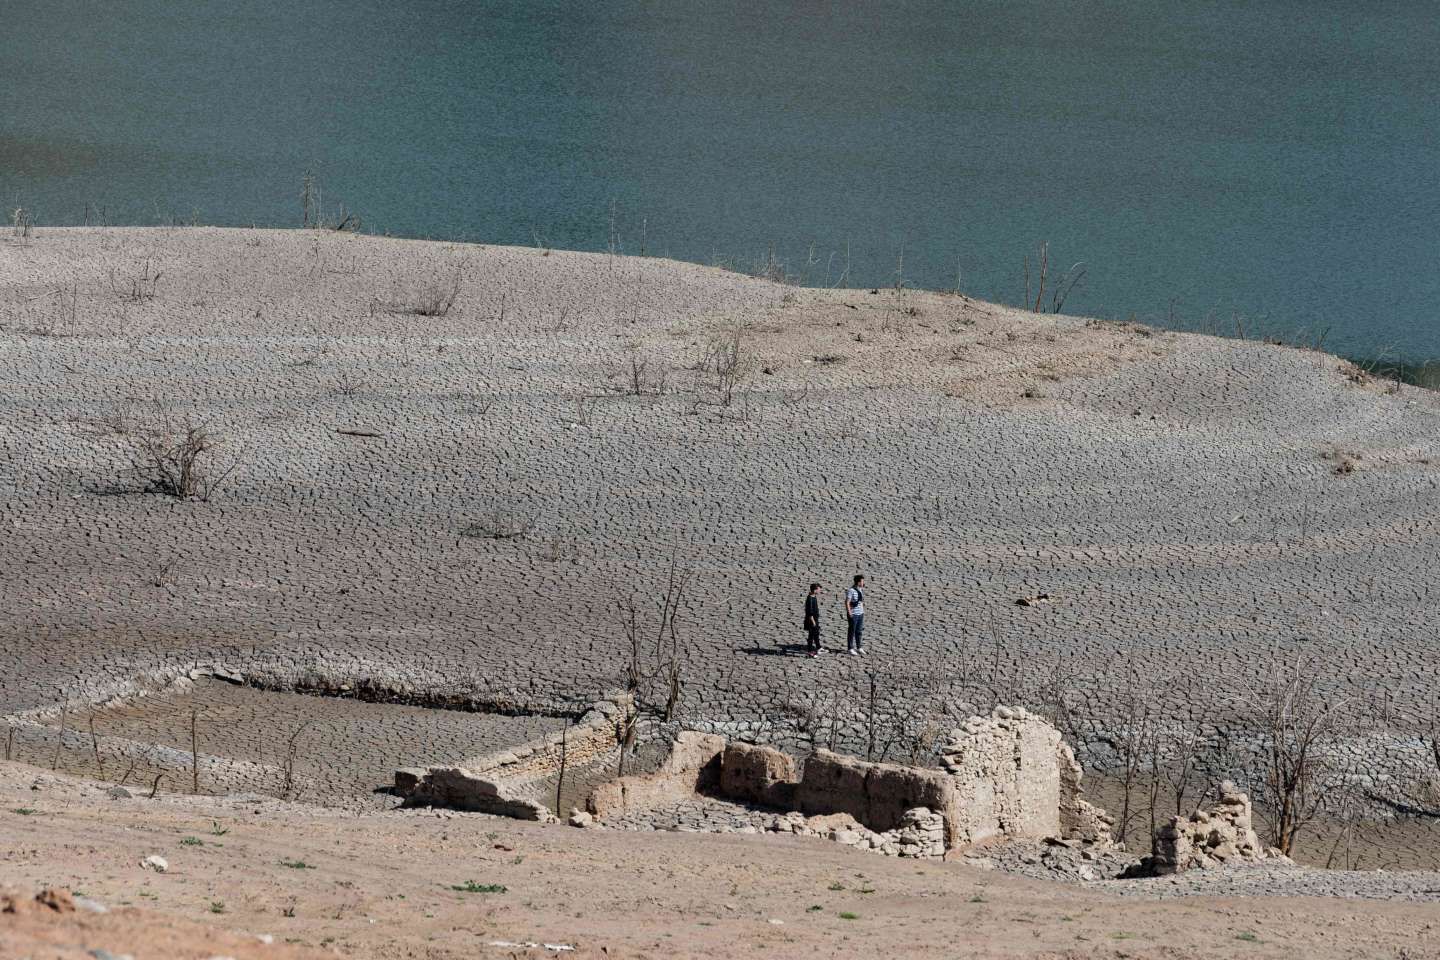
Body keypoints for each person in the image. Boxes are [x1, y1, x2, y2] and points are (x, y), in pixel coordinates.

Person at [845, 574, 866, 655]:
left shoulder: (860, 589)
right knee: (852, 631)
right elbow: (847, 602)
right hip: (854, 614)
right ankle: (850, 648)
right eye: (862, 581)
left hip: (860, 613)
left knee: (859, 631)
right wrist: (849, 612)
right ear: (858, 582)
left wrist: (862, 610)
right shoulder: (851, 590)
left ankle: (859, 647)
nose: (863, 583)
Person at [803, 583, 822, 657]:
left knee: (816, 634)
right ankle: (810, 651)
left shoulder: (814, 597)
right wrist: (814, 622)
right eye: (818, 589)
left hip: (815, 619)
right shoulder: (810, 599)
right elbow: (810, 612)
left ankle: (818, 648)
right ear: (815, 590)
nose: (819, 591)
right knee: (811, 636)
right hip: (811, 621)